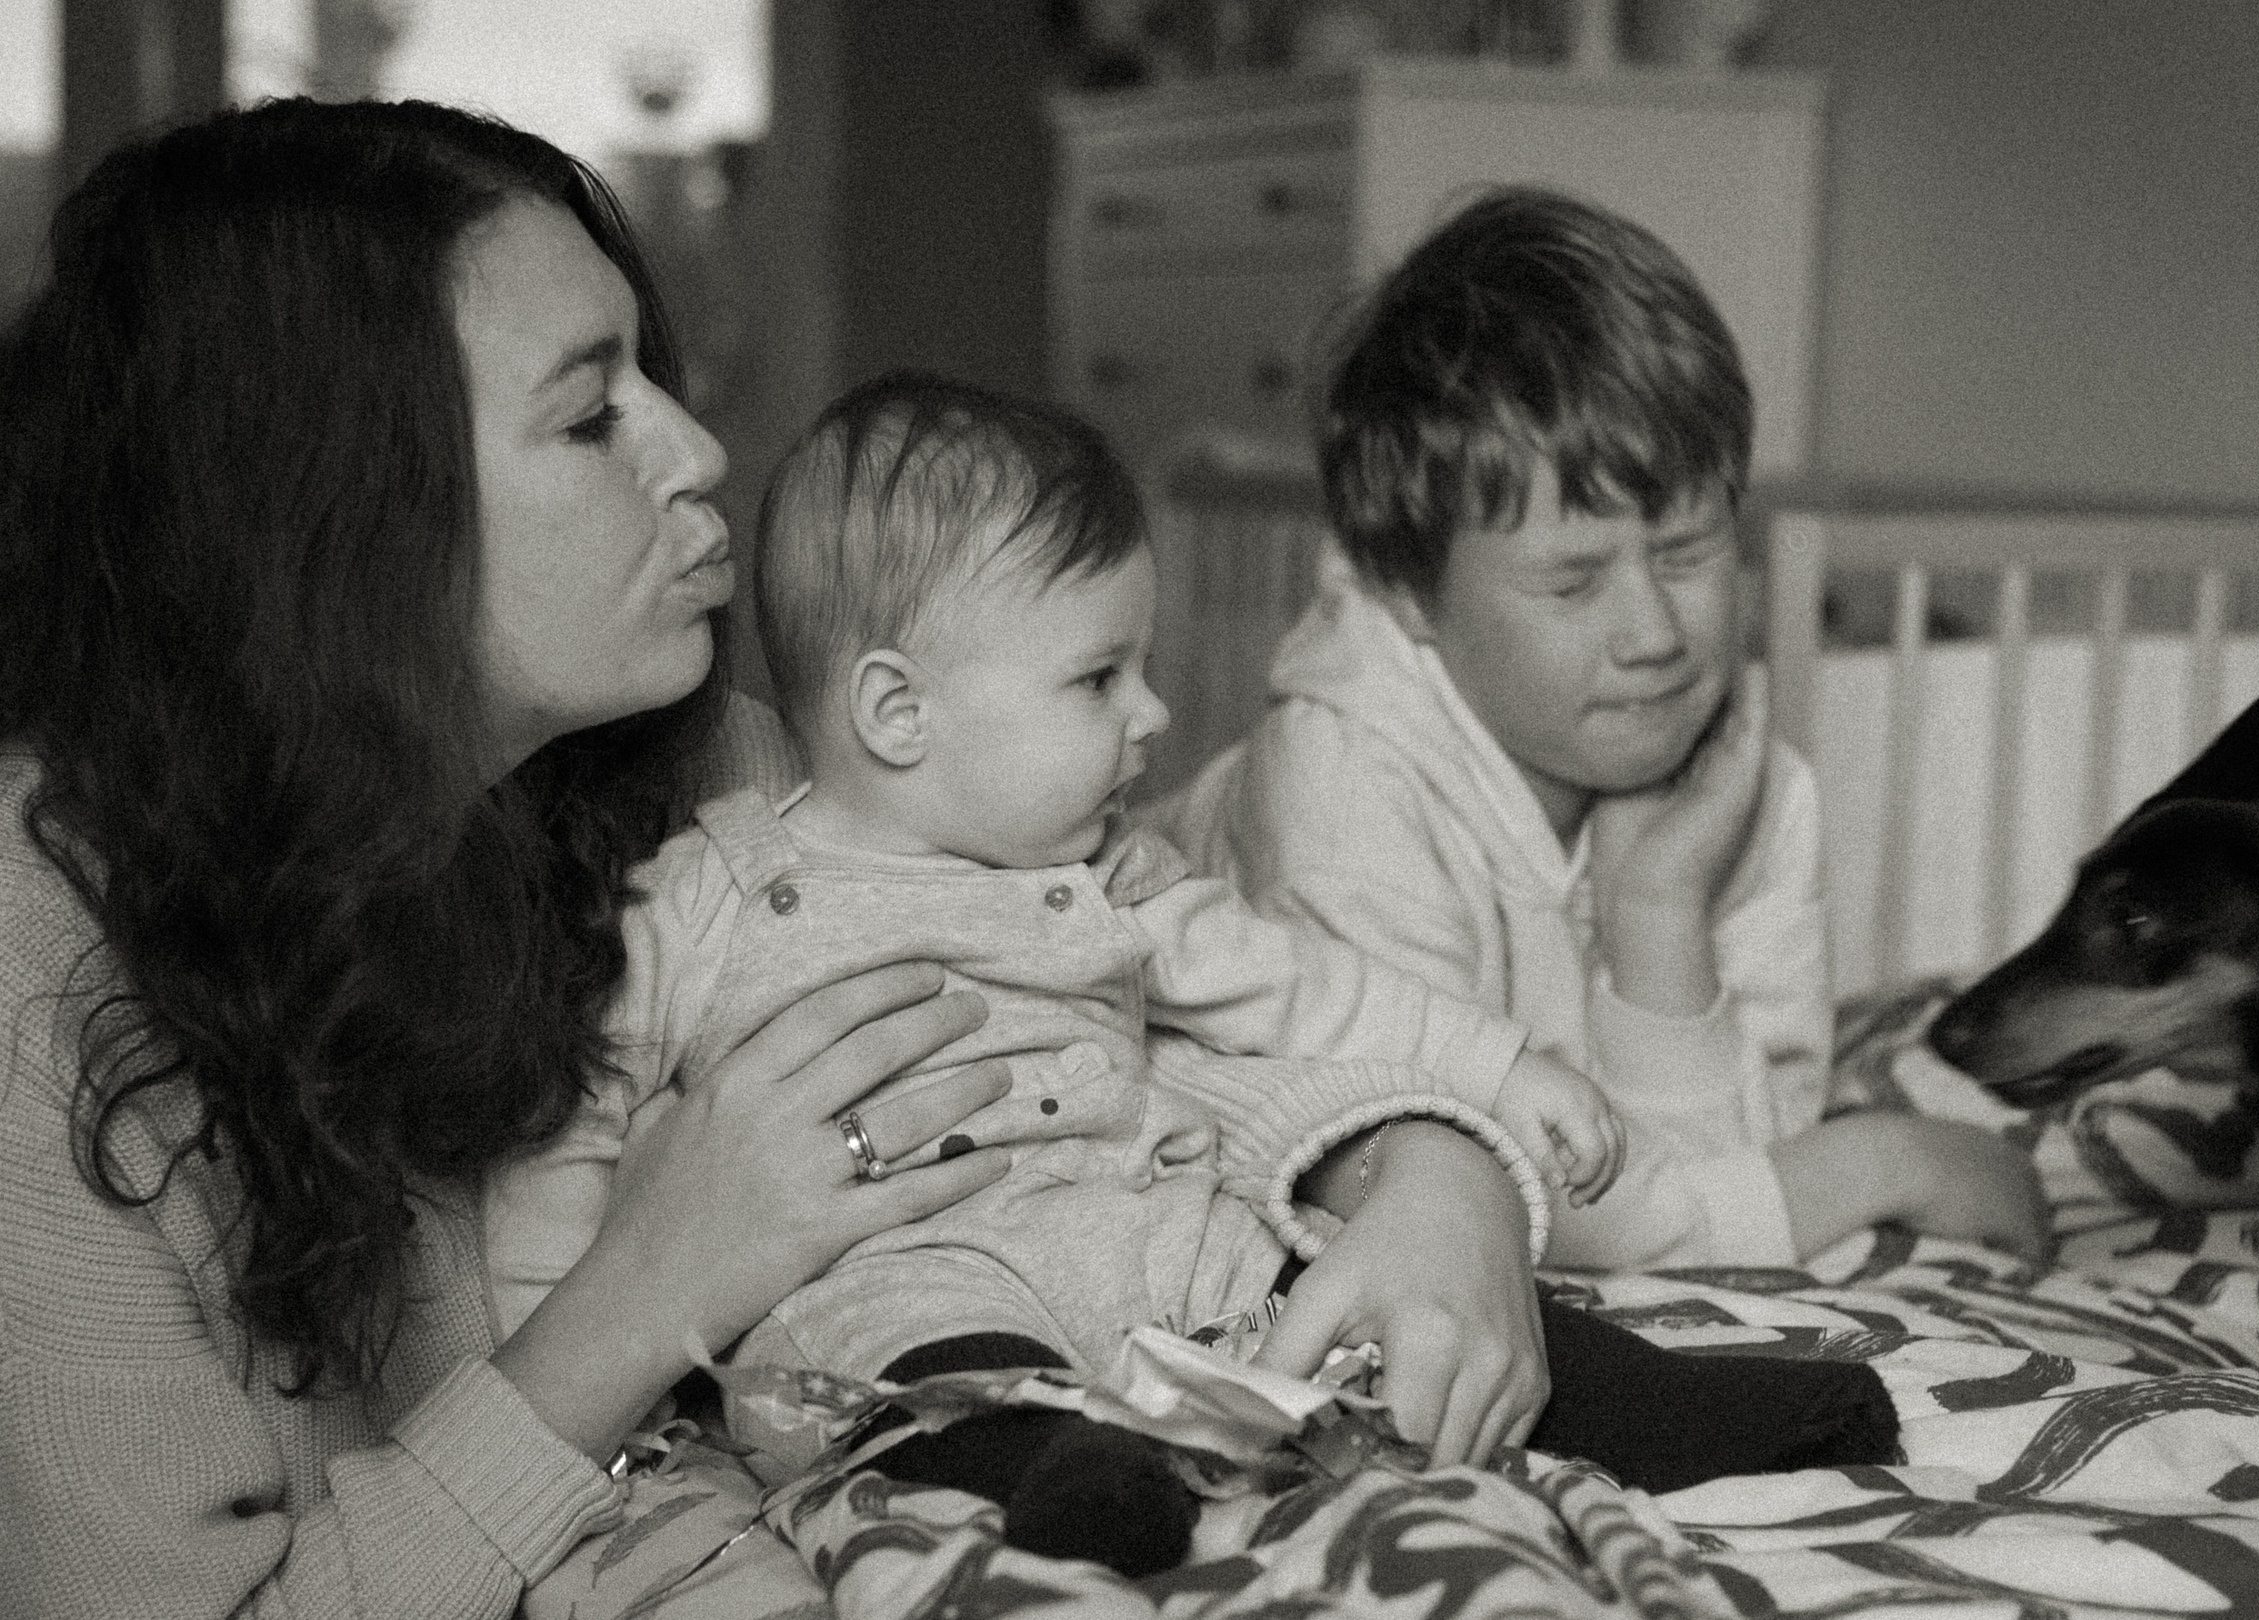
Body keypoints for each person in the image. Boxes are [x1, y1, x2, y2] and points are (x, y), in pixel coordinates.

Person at [0, 102, 1542, 1619]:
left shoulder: (715, 777)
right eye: (591, 417)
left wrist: (1435, 1175)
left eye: (655, 385)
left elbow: (1106, 1025)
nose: (696, 451)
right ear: (331, 506)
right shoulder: (39, 990)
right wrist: (648, 1288)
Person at [485, 371, 1898, 1579]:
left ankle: (1633, 1399)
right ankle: (1075, 1478)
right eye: (1099, 679)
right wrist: (562, 1338)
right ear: (899, 712)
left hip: (1148, 1228)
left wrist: (1499, 1067)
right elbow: (579, 1114)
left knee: (1342, 1289)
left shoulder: (1111, 877)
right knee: (917, 1369)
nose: (1154, 712)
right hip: (906, 1266)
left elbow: (1310, 995)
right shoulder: (711, 896)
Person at [1164, 187, 2052, 1273]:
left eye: (1688, 552)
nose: (1655, 635)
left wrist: (1657, 912)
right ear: (1406, 592)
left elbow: (1737, 1185)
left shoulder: (1744, 781)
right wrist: (1886, 1162)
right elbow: (1449, 1192)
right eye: (1573, 582)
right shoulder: (1341, 789)